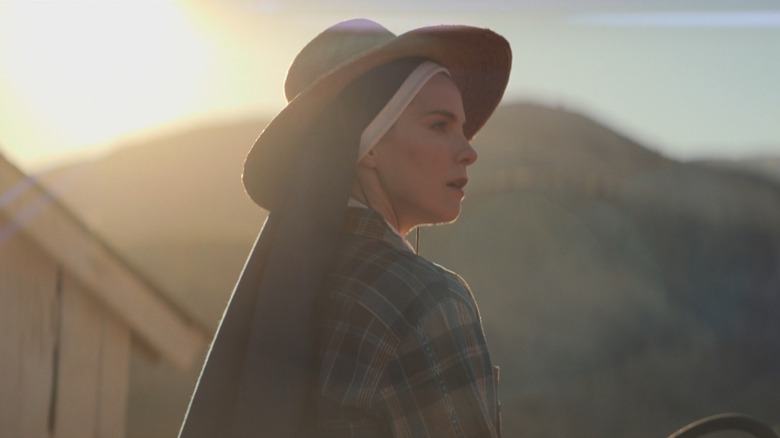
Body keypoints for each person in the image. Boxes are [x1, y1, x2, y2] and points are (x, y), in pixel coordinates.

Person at [179, 18, 511, 438]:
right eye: (440, 125)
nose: (468, 151)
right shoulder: (426, 300)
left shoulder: (280, 289)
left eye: (462, 129)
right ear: (368, 145)